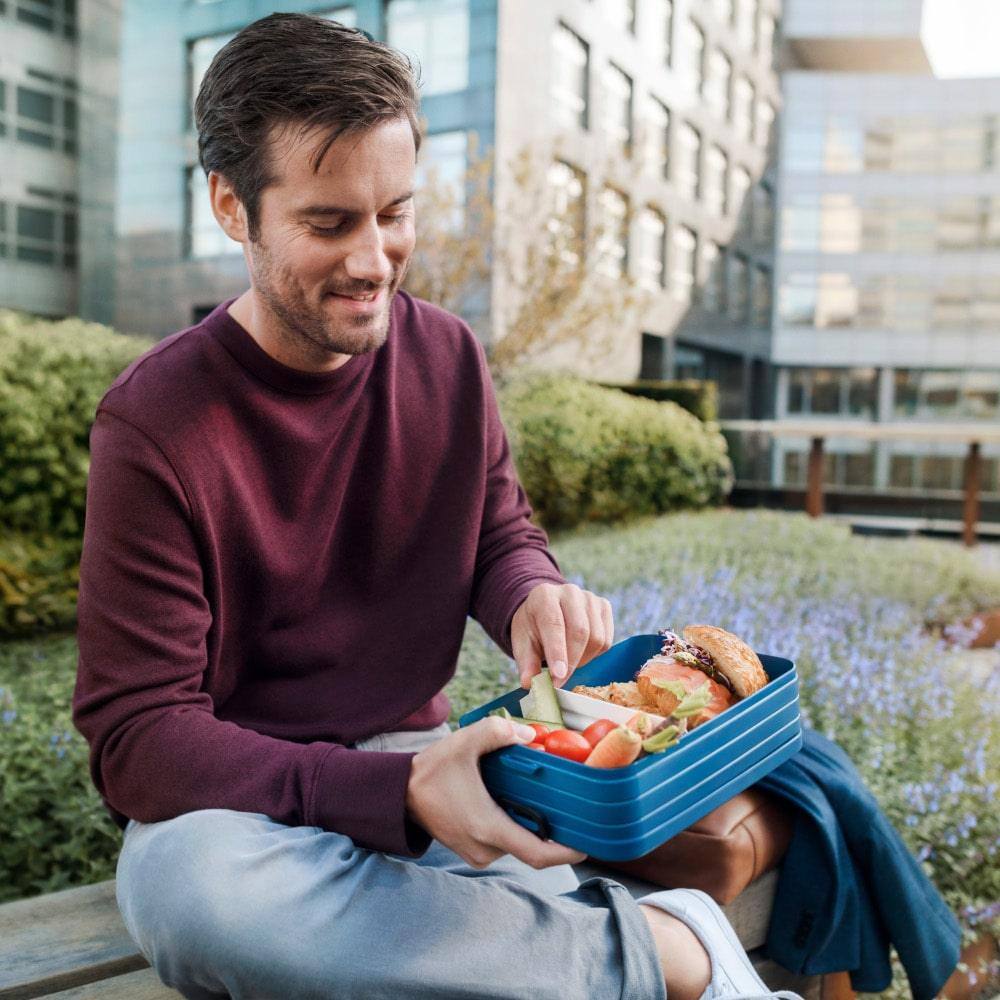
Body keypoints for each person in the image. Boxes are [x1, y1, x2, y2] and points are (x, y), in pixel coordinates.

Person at [71, 14, 798, 1000]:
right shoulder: (154, 421)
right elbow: (138, 738)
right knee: (198, 899)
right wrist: (390, 795)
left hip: (422, 762)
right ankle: (676, 952)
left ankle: (549, 942)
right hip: (235, 804)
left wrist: (531, 591)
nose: (375, 259)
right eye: (330, 223)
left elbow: (499, 532)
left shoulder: (448, 356)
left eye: (396, 212)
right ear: (232, 207)